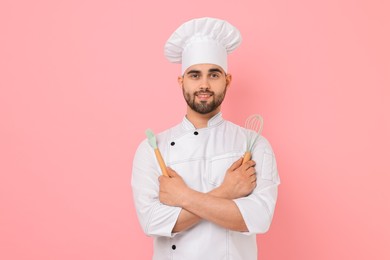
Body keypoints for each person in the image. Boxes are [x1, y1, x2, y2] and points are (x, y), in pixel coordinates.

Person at [131, 17, 280, 260]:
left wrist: (182, 197)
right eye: (194, 75)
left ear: (227, 81)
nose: (203, 85)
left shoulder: (253, 144)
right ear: (181, 81)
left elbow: (258, 219)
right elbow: (152, 222)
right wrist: (226, 191)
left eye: (213, 75)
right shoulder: (151, 148)